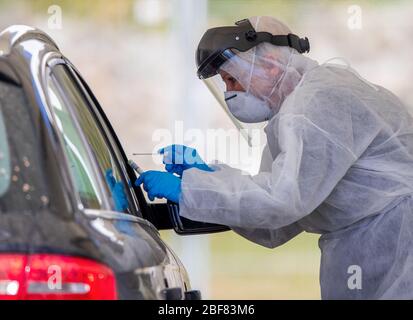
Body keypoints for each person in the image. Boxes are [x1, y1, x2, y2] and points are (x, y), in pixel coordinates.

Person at [135, 16, 413, 299]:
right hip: (366, 248)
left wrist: (190, 189)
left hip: (398, 243)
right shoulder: (291, 115)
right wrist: (209, 176)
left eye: (233, 79)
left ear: (268, 66)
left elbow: (282, 200)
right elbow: (274, 226)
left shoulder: (318, 102)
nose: (230, 93)